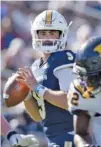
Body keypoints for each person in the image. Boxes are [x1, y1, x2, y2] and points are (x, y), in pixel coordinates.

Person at [16, 10, 76, 147]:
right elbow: (38, 116)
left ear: (62, 34)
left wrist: (37, 87)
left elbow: (71, 101)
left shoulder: (64, 59)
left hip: (73, 134)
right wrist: (25, 95)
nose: (47, 37)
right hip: (53, 136)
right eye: (43, 33)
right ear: (35, 35)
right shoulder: (36, 66)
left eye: (52, 33)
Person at [67, 36, 101, 146]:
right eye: (83, 76)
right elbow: (80, 133)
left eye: (91, 77)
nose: (85, 82)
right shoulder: (80, 91)